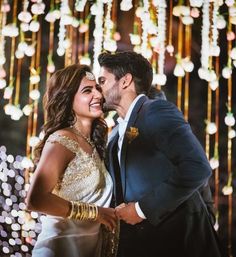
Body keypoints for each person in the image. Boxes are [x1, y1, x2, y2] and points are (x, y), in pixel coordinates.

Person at [97, 51, 223, 257]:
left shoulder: (155, 111)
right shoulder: (116, 132)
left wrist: (140, 209)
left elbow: (196, 167)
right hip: (143, 243)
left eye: (103, 80)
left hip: (179, 241)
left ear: (125, 81)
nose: (98, 88)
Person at [26, 64, 118, 257]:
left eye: (98, 89)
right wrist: (95, 213)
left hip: (88, 249)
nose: (99, 96)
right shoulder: (61, 139)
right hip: (59, 249)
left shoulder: (95, 142)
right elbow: (36, 199)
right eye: (87, 90)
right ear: (68, 99)